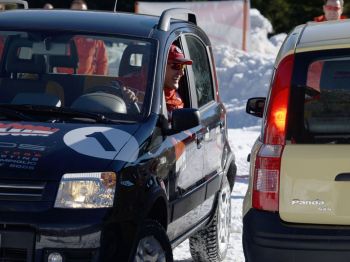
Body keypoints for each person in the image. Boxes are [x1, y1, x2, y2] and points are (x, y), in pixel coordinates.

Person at [57, 0, 108, 75]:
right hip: (61, 83)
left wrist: (98, 83)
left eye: (82, 12)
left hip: (87, 84)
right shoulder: (60, 36)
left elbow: (102, 63)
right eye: (75, 12)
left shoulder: (95, 38)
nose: (78, 15)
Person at [163, 44, 192, 113]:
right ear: (161, 65)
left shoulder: (176, 101)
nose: (182, 73)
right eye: (177, 66)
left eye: (183, 66)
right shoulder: (133, 86)